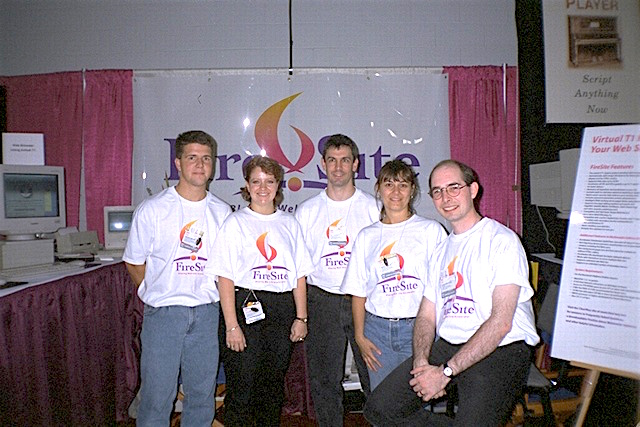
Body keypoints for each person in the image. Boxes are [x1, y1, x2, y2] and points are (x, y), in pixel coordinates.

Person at [364, 159, 540, 426]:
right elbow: (426, 316)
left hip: (502, 348)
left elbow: (501, 322)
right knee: (380, 409)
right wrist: (421, 364)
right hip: (451, 343)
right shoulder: (442, 251)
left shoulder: (501, 241)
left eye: (454, 187)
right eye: (438, 191)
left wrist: (445, 372)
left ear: (473, 190)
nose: (446, 198)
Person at [123, 130, 231, 426]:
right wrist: (160, 292)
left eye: (206, 158)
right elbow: (134, 262)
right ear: (178, 163)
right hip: (164, 314)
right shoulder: (153, 209)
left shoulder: (222, 212)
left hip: (207, 314)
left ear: (213, 165)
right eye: (192, 157)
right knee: (157, 396)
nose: (200, 164)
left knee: (201, 395)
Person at [205, 155, 313, 427]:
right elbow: (224, 278)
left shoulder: (290, 223)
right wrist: (232, 326)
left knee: (273, 389)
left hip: (281, 310)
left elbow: (299, 275)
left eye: (269, 181)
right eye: (256, 181)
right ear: (247, 185)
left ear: (278, 185)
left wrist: (301, 318)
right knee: (241, 390)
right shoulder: (235, 223)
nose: (263, 188)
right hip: (244, 309)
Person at [294, 134, 379, 426]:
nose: (338, 167)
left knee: (374, 375)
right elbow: (299, 268)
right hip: (322, 300)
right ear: (323, 164)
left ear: (355, 164)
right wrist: (302, 314)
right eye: (332, 160)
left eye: (345, 160)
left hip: (364, 301)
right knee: (324, 380)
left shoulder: (372, 207)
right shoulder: (307, 211)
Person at [341, 159, 446, 391]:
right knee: (382, 400)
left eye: (403, 185)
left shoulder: (431, 231)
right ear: (378, 189)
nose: (396, 192)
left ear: (412, 190)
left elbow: (444, 287)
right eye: (389, 184)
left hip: (420, 330)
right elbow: (358, 292)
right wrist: (360, 337)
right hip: (377, 333)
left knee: (417, 398)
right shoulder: (366, 236)